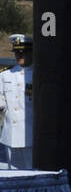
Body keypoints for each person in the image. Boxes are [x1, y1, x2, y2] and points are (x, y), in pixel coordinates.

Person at [0, 35, 34, 170]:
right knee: (13, 178)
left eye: (23, 52)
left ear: (32, 52)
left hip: (30, 137)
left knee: (32, 176)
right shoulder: (4, 75)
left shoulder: (40, 75)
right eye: (17, 52)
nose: (20, 55)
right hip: (10, 136)